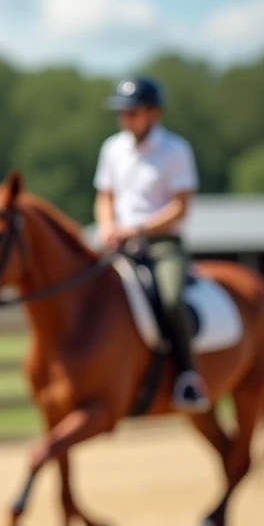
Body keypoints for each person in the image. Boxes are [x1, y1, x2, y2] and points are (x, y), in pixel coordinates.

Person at [93, 74, 211, 413]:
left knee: (172, 298)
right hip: (119, 242)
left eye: (133, 111)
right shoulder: (112, 148)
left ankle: (189, 376)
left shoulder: (175, 150)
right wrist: (106, 226)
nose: (125, 118)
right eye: (122, 112)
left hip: (162, 244)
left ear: (153, 114)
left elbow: (180, 207)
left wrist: (138, 228)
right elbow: (105, 196)